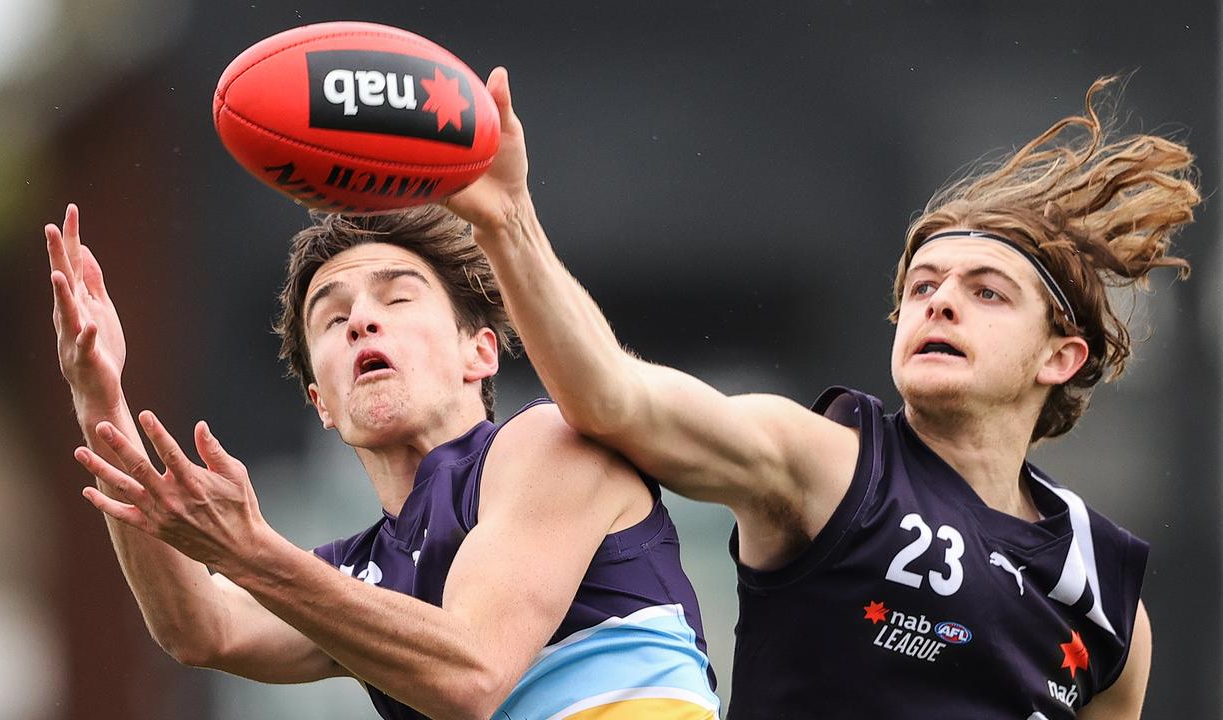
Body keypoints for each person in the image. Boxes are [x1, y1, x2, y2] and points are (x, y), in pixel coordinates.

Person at [443, 71, 1200, 719]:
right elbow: (613, 399)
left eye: (988, 293)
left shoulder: (1106, 603)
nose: (938, 304)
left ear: (1061, 357)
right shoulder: (829, 467)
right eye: (922, 287)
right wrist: (508, 223)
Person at [46, 203, 719, 719]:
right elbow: (199, 628)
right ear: (322, 403)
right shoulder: (358, 576)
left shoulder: (550, 445)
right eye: (332, 319)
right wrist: (98, 396)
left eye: (397, 298)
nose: (362, 320)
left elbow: (472, 673)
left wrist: (254, 554)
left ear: (478, 352)